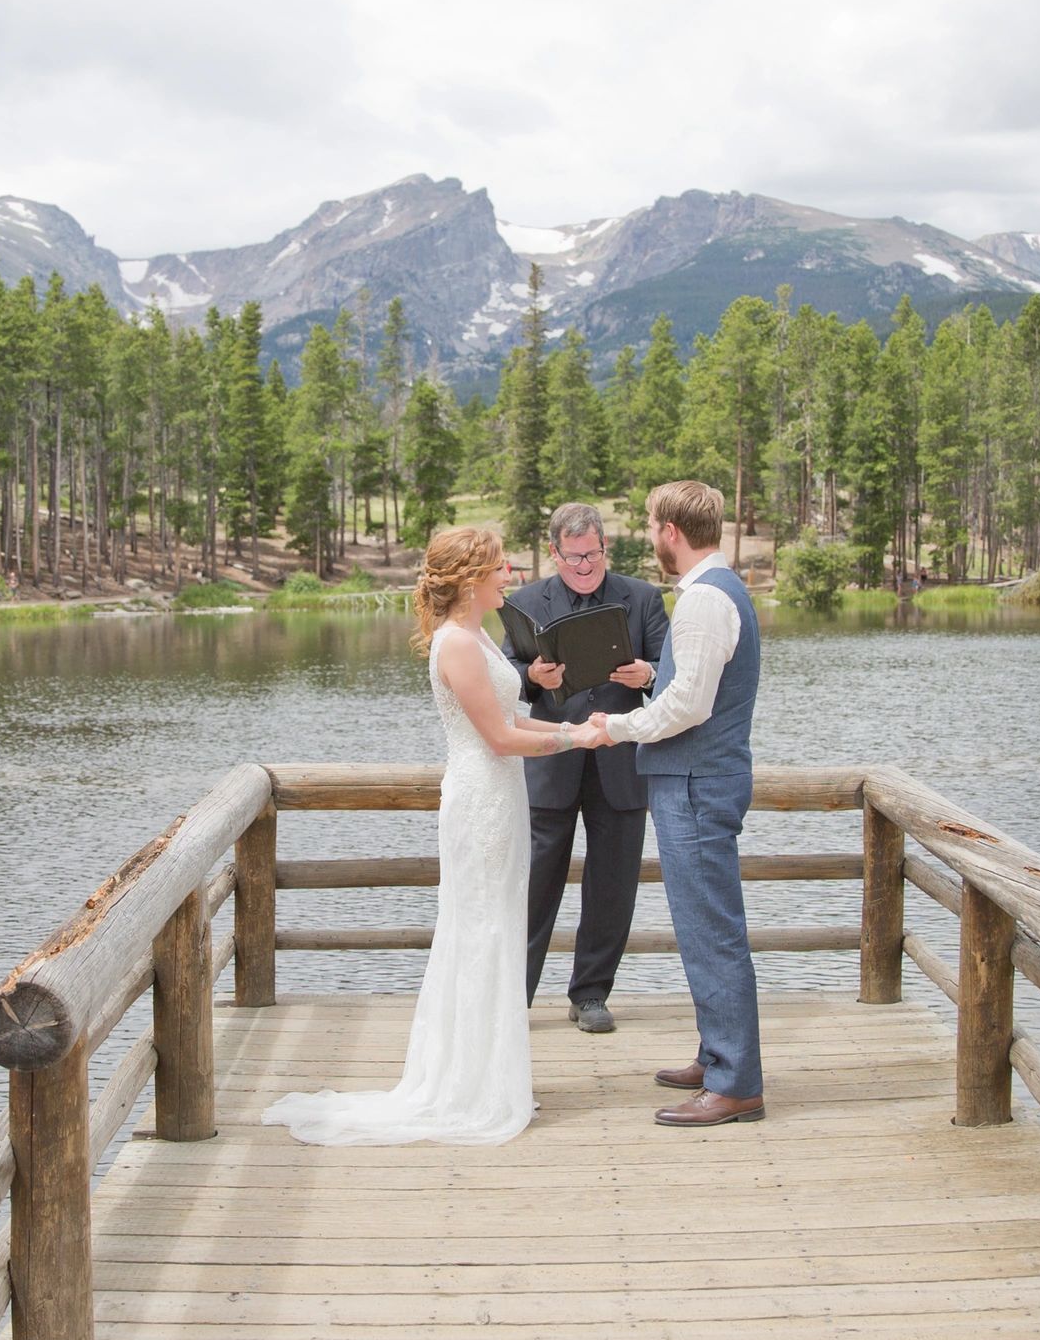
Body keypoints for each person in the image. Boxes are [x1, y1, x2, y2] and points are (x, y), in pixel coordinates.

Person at [265, 526, 611, 1147]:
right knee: (480, 930)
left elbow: (510, 717)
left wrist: (573, 723)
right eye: (499, 565)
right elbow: (500, 740)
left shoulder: (478, 635)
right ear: (471, 577)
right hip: (480, 797)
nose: (510, 573)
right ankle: (469, 1088)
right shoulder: (456, 643)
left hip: (501, 796)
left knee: (498, 926)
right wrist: (574, 738)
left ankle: (489, 1075)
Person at [591, 480, 767, 1128]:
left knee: (710, 930)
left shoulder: (701, 603)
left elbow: (689, 706)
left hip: (694, 783)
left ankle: (735, 1081)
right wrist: (649, 680)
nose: (650, 534)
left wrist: (614, 725)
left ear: (670, 531)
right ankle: (718, 1053)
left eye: (651, 524)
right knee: (705, 927)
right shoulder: (721, 592)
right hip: (699, 779)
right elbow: (692, 688)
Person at [500, 502, 668, 1033]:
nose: (583, 566)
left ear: (605, 548)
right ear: (554, 554)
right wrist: (532, 678)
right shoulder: (526, 601)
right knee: (534, 883)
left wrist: (646, 674)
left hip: (620, 765)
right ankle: (514, 997)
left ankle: (591, 994)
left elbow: (675, 674)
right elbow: (504, 674)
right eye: (572, 558)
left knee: (613, 885)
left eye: (591, 555)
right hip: (551, 763)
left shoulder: (642, 598)